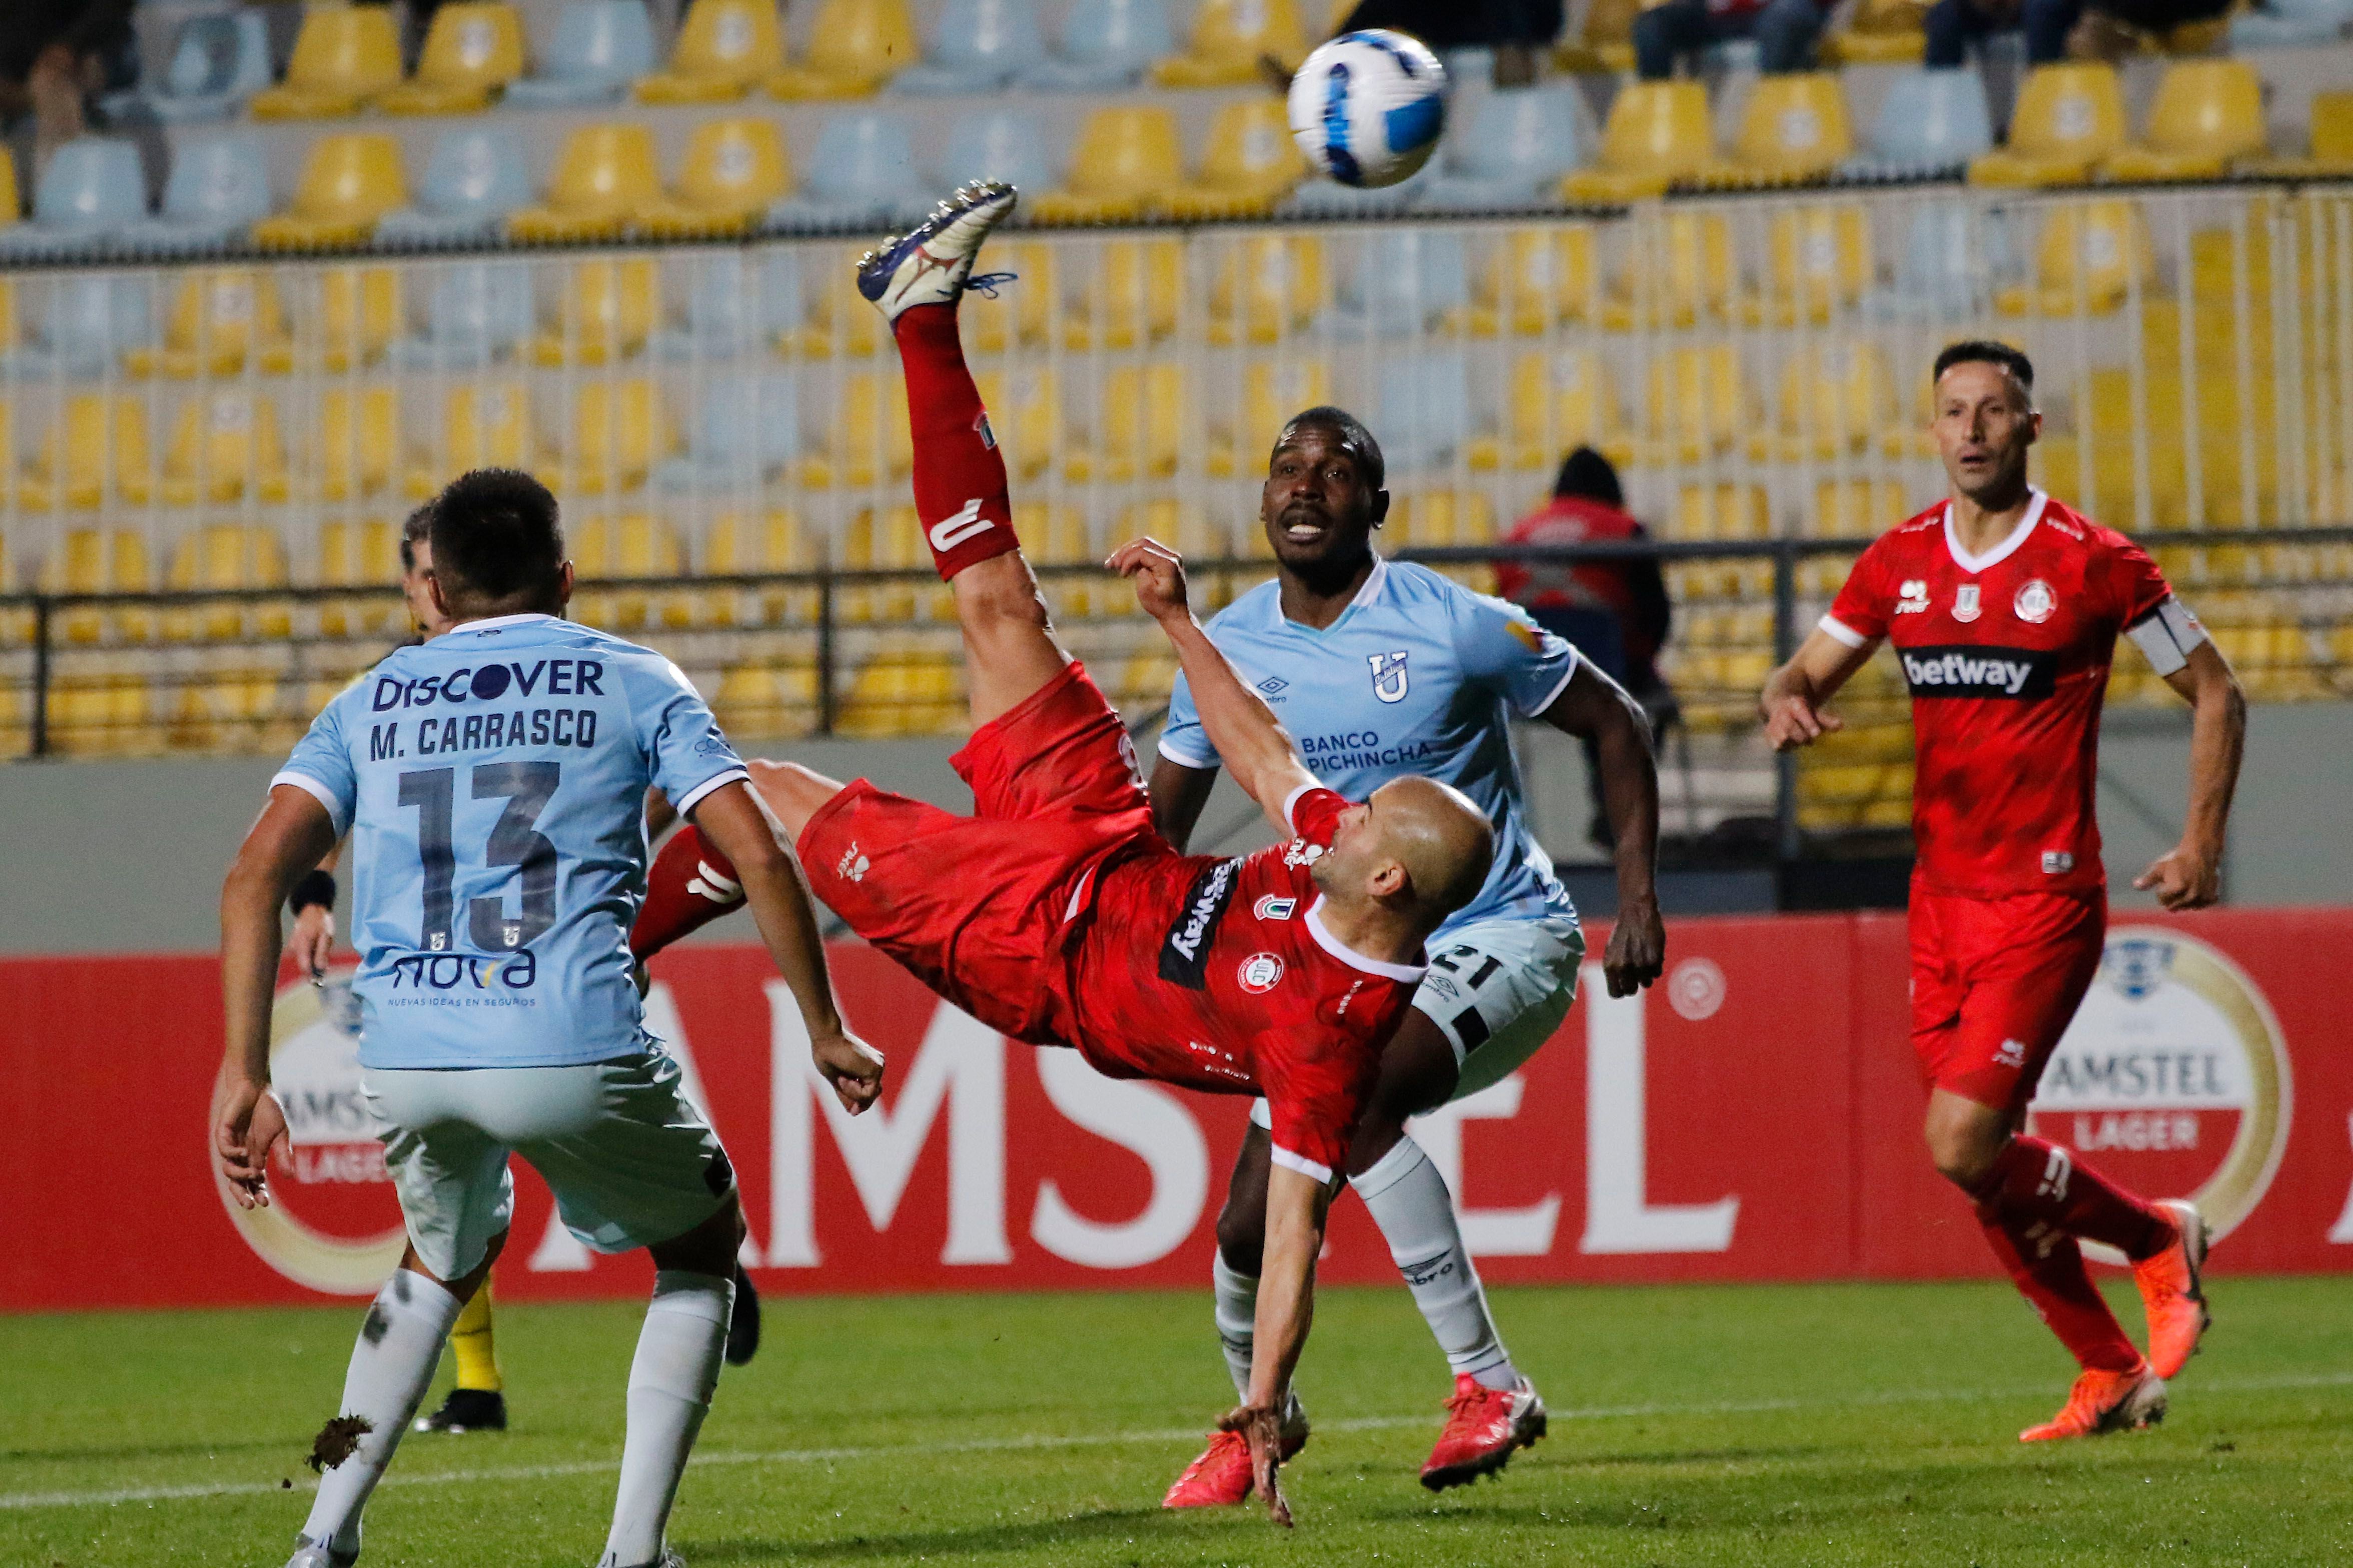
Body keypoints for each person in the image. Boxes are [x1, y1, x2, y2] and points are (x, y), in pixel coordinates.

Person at [630, 180, 1497, 1526]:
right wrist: (1178, 621)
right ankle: (921, 315)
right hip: (1098, 838)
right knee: (994, 600)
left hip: (1036, 949)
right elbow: (1263, 752)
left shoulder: (1332, 1033)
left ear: (1382, 880)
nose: (1350, 805)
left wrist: (1264, 1394)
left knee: (758, 787)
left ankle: (595, 946)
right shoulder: (1334, 848)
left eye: (1377, 817)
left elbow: (1293, 1240)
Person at [213, 468, 884, 1568]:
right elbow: (756, 847)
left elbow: (251, 877)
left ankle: (322, 1533)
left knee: (436, 1262)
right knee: (702, 1249)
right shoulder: (632, 676)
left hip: (409, 1049)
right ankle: (631, 1549)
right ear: (564, 577)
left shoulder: (372, 694)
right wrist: (822, 1024)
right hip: (569, 1035)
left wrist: (246, 1070)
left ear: (435, 586)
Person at [1144, 420, 1665, 1501]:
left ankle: (1489, 1385)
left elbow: (1613, 720)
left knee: (1358, 1097)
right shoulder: (1228, 652)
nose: (1306, 488)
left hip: (1499, 933)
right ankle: (1257, 1418)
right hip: (1341, 959)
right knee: (1246, 1221)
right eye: (1287, 469)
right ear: (1262, 501)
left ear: (1374, 506)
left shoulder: (1449, 623)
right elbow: (1155, 835)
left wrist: (1636, 896)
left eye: (1336, 475)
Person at [1758, 340, 2245, 1442]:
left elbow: (2215, 690)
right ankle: (2106, 1367)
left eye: (1991, 410)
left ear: (2030, 428)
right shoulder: (1897, 563)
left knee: (1959, 1142)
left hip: (2043, 899)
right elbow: (1797, 670)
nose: (1969, 428)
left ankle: (2157, 1234)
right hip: (1939, 901)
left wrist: (2197, 840)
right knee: (1981, 1169)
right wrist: (1781, 697)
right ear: (1931, 431)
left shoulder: (2093, 561)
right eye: (1951, 411)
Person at [282, 510, 764, 1440]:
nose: (428, 595)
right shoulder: (399, 690)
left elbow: (648, 780)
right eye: (418, 575)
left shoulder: (563, 679)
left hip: (539, 971)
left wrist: (613, 855)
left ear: (449, 580)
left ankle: (348, 1501)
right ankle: (479, 1384)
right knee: (461, 1215)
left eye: (434, 570)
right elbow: (349, 804)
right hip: (464, 981)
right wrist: (315, 894)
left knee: (462, 1213)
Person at [1499, 446, 1675, 851]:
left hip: (1526, 680)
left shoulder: (1516, 536)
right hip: (1604, 673)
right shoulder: (1623, 528)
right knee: (1652, 705)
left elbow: (1501, 612)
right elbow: (1656, 612)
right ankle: (1616, 815)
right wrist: (1641, 659)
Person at [1634, 0, 1829, 79]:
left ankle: (1777, 117)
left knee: (1783, 17)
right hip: (1718, 15)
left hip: (1779, 12)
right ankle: (1660, 120)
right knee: (1652, 25)